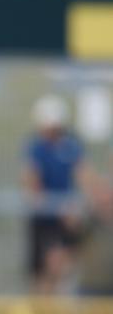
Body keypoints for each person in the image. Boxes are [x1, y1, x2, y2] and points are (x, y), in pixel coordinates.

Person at [23, 95, 90, 294]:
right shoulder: (36, 147)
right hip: (44, 218)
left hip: (65, 218)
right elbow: (30, 179)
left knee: (62, 267)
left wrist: (78, 207)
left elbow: (84, 175)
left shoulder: (71, 146)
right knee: (41, 273)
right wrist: (44, 201)